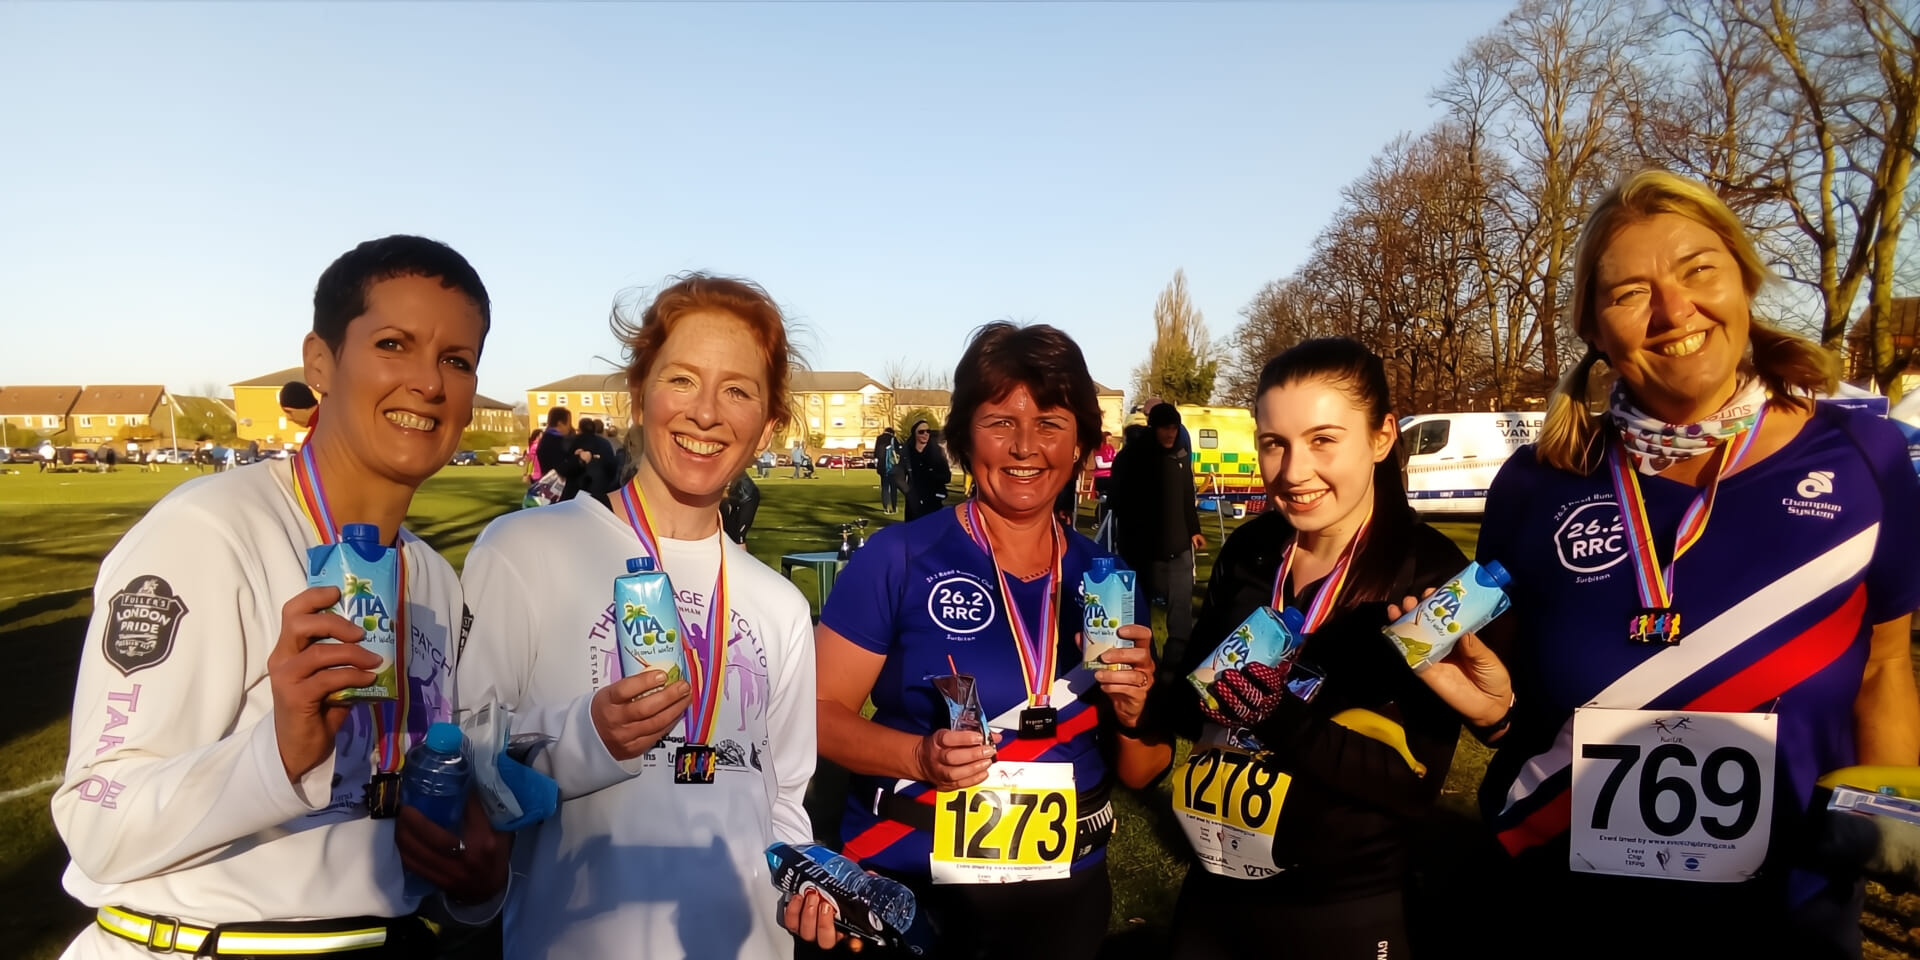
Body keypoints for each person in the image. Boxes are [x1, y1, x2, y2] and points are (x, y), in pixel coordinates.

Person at [1424, 170, 1920, 959]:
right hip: (1565, 908)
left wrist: (1887, 810)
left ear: (1744, 281)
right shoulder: (1536, 483)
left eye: (1699, 270)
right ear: (1594, 326)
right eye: (1629, 294)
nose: (1675, 310)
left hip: (1788, 917)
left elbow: (1886, 661)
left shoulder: (1865, 454)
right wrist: (1490, 712)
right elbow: (1510, 691)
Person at [51, 235, 511, 959]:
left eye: (457, 360)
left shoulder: (433, 579)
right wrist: (279, 752)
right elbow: (96, 823)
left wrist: (472, 881)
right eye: (394, 345)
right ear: (320, 362)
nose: (429, 382)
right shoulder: (208, 532)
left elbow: (383, 849)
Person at [457, 273, 816, 959]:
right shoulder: (525, 550)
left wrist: (805, 883)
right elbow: (465, 769)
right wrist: (586, 739)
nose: (706, 413)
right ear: (637, 393)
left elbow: (784, 801)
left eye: (738, 391)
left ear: (768, 426)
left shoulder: (780, 606)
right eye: (682, 380)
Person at [805, 322, 1171, 959]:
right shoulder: (900, 556)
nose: (1025, 446)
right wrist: (919, 758)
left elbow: (1143, 768)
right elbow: (810, 715)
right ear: (963, 437)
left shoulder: (1108, 580)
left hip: (1064, 900)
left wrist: (1136, 713)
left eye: (1050, 423)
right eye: (1000, 422)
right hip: (910, 888)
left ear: (1081, 443)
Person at [1148, 338, 1473, 959]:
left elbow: (1413, 784)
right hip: (1216, 888)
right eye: (1274, 443)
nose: (1293, 471)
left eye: (1323, 440)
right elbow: (1194, 702)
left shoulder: (1431, 575)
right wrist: (1152, 687)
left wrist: (1276, 715)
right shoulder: (1250, 551)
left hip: (1344, 904)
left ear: (1382, 437)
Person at [1110, 403, 1204, 665]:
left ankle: (1176, 663)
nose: (1170, 434)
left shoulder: (1180, 454)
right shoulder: (1131, 458)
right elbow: (1117, 501)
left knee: (1181, 609)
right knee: (1141, 607)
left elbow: (1187, 496)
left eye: (1174, 428)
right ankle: (1145, 661)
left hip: (1179, 545)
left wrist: (1194, 530)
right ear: (1153, 428)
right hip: (1142, 549)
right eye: (1165, 428)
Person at [901, 418, 952, 520]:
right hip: (914, 502)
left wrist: (931, 475)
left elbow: (947, 477)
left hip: (933, 500)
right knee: (914, 528)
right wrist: (908, 492)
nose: (925, 434)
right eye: (921, 432)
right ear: (914, 433)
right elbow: (899, 474)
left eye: (928, 431)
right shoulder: (907, 452)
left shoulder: (937, 451)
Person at [535, 406, 573, 480]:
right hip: (556, 484)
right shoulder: (555, 442)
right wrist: (579, 460)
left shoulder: (546, 438)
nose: (570, 427)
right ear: (560, 423)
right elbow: (563, 469)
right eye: (568, 423)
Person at [279, 380, 320, 448]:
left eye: (289, 412)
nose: (288, 418)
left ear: (303, 406)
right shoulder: (325, 421)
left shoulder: (321, 432)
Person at [875, 426, 900, 514]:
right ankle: (894, 507)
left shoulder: (879, 439)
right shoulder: (893, 439)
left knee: (885, 488)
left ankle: (885, 508)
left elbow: (876, 454)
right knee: (893, 488)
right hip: (892, 467)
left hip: (882, 468)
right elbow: (898, 452)